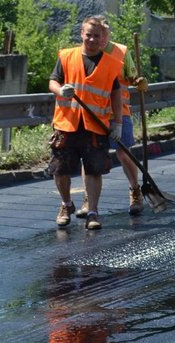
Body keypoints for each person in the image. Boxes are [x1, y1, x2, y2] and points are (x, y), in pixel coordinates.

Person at [48, 16, 122, 231]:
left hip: (95, 126)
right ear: (81, 33)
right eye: (88, 34)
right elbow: (53, 81)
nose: (91, 39)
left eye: (96, 36)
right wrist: (61, 90)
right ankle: (66, 205)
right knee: (60, 170)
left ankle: (93, 212)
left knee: (93, 171)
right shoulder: (66, 56)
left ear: (102, 39)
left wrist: (117, 123)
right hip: (67, 124)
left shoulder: (111, 64)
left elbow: (116, 95)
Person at [75, 19, 149, 218]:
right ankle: (89, 199)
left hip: (119, 112)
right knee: (89, 157)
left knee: (124, 153)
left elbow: (132, 77)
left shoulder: (121, 52)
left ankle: (135, 191)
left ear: (106, 35)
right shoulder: (81, 53)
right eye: (96, 34)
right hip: (93, 113)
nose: (99, 39)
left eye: (103, 35)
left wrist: (139, 82)